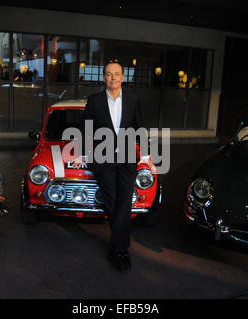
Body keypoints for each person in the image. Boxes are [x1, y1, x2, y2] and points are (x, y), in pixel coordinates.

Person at [72, 60, 149, 271]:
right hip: (102, 157)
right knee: (113, 201)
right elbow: (85, 127)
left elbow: (140, 126)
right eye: (108, 74)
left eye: (116, 74)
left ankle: (118, 248)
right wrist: (82, 152)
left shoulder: (133, 100)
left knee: (124, 201)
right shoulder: (95, 100)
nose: (112, 77)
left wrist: (147, 153)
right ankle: (121, 250)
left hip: (126, 158)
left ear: (123, 77)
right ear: (103, 77)